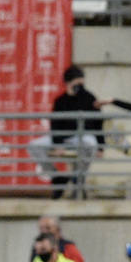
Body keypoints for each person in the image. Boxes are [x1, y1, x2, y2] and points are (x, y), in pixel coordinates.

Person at [27, 64, 103, 198]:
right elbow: (55, 124)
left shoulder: (89, 98)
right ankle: (57, 178)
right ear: (68, 83)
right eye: (77, 84)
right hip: (63, 137)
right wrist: (58, 144)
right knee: (34, 146)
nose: (80, 87)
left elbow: (98, 123)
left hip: (81, 137)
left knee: (91, 144)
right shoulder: (60, 101)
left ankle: (78, 179)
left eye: (82, 83)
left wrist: (101, 146)